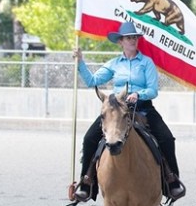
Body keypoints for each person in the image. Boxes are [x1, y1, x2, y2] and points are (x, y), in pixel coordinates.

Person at [71, 21, 186, 202]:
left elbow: (153, 90)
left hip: (143, 108)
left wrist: (137, 94)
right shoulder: (114, 64)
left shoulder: (146, 63)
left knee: (166, 138)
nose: (132, 40)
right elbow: (92, 80)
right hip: (117, 109)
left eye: (134, 37)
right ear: (121, 42)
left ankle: (172, 181)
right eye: (128, 38)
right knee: (89, 138)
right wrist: (80, 63)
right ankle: (86, 183)